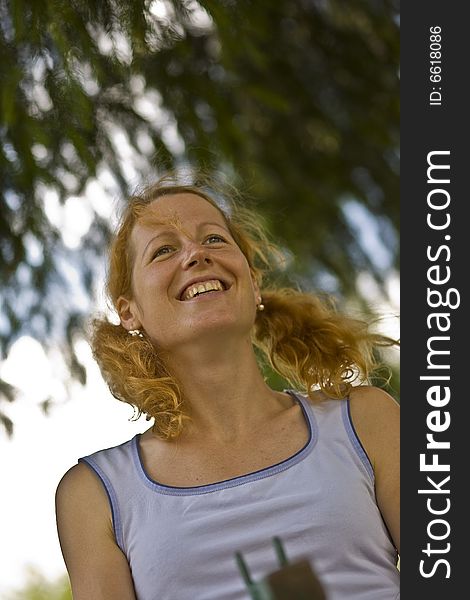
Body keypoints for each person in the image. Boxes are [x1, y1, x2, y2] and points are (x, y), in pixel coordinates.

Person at [55, 173, 400, 600]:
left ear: (253, 282)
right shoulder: (95, 495)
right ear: (130, 313)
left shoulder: (366, 421)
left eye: (214, 239)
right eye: (164, 249)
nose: (196, 254)